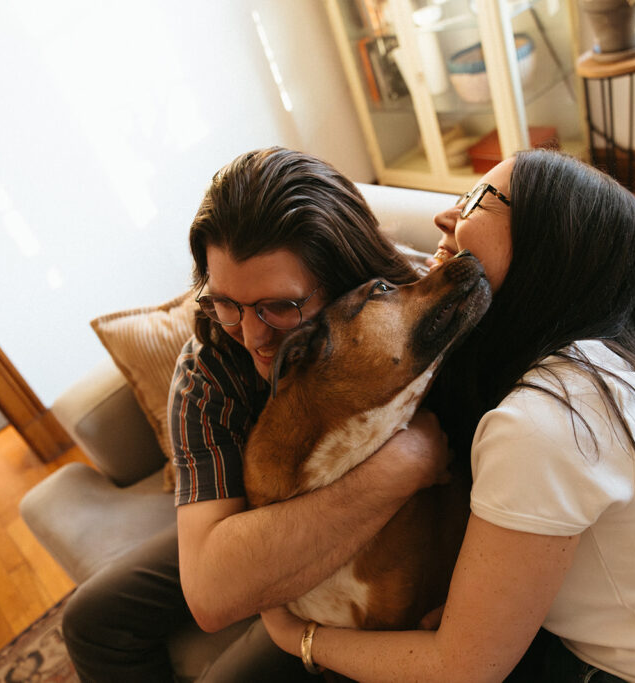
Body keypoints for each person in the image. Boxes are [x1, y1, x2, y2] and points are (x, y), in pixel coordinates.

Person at [261, 149, 635, 683]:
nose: (444, 215)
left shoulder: (552, 416)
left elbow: (461, 670)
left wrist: (299, 639)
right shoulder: (609, 363)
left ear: (550, 246)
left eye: (479, 199)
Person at [61, 147, 452, 681]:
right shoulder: (210, 370)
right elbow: (211, 595)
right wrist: (407, 462)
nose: (252, 335)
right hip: (252, 515)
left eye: (280, 306)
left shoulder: (416, 312)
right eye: (226, 303)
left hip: (385, 555)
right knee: (93, 618)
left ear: (347, 279)